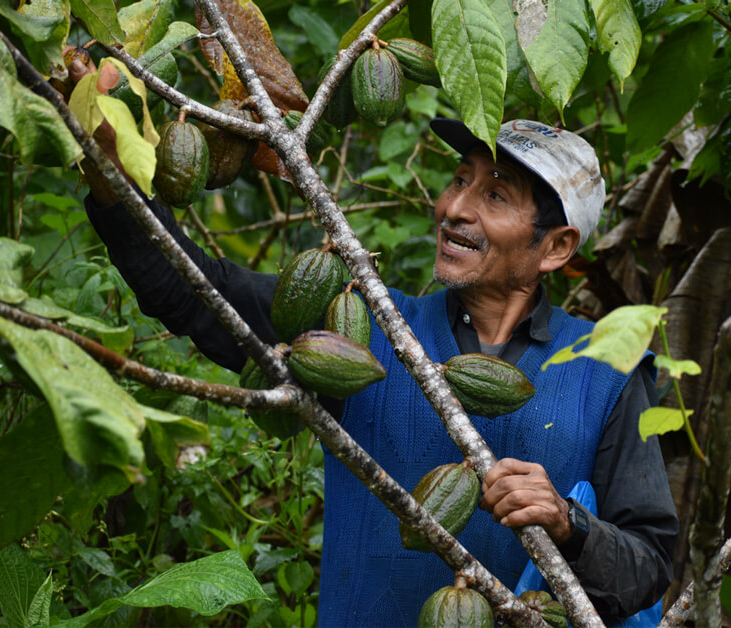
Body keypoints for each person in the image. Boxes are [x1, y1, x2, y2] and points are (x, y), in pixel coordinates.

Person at [80, 94, 678, 625]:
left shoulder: (608, 373)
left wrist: (569, 525)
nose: (454, 208)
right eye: (459, 179)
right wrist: (108, 168)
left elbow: (648, 568)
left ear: (555, 246)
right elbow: (195, 292)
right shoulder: (363, 325)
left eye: (493, 195)